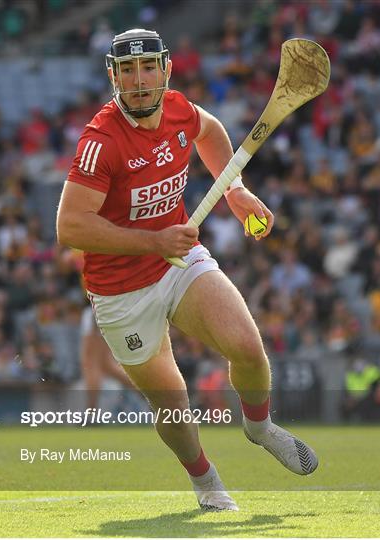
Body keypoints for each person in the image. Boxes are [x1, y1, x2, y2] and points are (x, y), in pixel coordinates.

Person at [57, 28, 318, 511]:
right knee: (172, 400)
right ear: (113, 75)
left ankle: (259, 427)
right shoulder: (101, 141)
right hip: (120, 291)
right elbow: (70, 226)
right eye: (128, 70)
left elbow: (211, 131)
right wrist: (153, 241)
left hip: (178, 262)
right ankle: (205, 479)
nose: (139, 80)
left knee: (246, 345)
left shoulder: (178, 108)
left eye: (148, 67)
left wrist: (234, 191)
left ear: (166, 67)